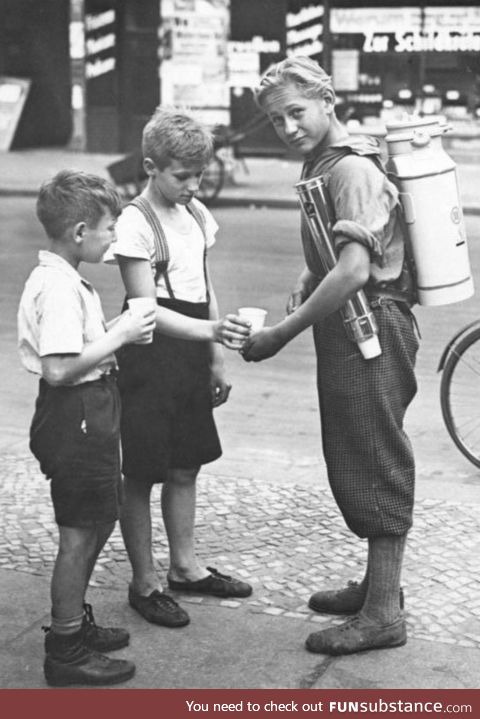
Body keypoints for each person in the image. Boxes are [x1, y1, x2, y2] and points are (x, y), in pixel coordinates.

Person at [243, 56, 419, 656]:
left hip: (372, 327)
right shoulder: (328, 164)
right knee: (356, 447)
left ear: (328, 100)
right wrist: (306, 268)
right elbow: (339, 246)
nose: (288, 127)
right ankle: (380, 589)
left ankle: (381, 617)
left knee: (374, 455)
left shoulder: (351, 170)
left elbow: (353, 269)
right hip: (353, 326)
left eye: (297, 112)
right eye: (275, 120)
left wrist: (281, 333)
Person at [105, 106, 252, 630]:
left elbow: (204, 284)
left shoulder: (194, 215)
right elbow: (145, 308)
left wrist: (214, 355)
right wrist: (210, 333)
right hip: (147, 352)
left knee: (185, 463)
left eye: (200, 175)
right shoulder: (133, 222)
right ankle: (145, 581)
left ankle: (185, 566)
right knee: (142, 470)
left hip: (190, 348)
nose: (193, 185)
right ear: (149, 166)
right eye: (182, 175)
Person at [17, 170, 158, 686]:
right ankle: (66, 648)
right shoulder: (57, 286)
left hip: (89, 409)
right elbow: (58, 368)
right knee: (80, 532)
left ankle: (73, 618)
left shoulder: (64, 277)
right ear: (79, 232)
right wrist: (121, 333)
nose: (114, 239)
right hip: (75, 412)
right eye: (109, 228)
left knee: (99, 516)